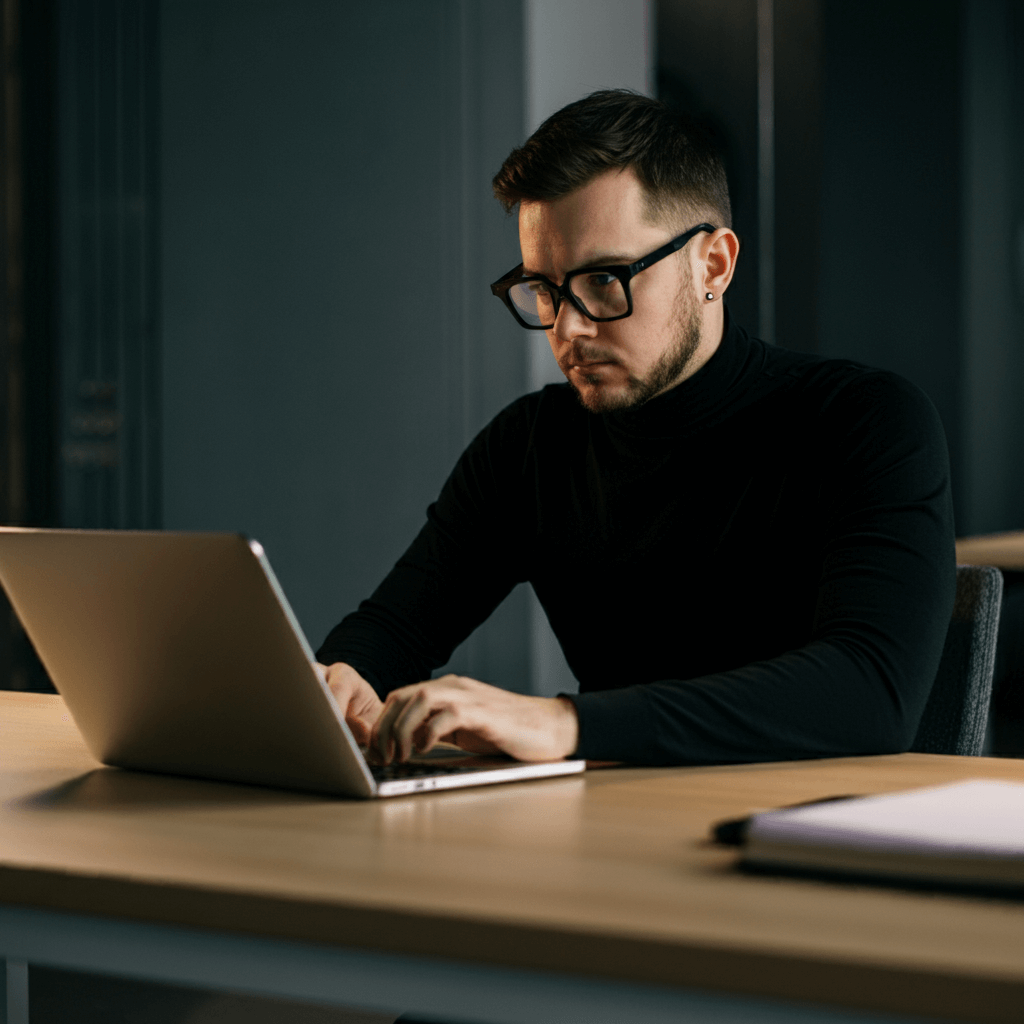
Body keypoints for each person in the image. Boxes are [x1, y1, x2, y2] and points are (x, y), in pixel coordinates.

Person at [316, 89, 956, 768]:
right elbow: (391, 632)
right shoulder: (528, 447)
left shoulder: (866, 421)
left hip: (805, 820)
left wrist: (565, 724)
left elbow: (869, 692)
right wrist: (341, 681)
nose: (568, 327)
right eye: (544, 289)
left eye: (603, 279)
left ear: (714, 265)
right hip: (614, 815)